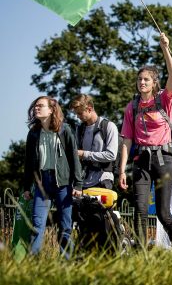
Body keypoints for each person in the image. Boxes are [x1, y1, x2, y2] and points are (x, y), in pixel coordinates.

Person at [118, 32, 172, 246]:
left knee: (163, 214)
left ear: (154, 83)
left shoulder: (164, 99)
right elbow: (126, 140)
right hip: (141, 162)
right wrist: (121, 169)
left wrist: (165, 48)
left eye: (146, 79)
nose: (142, 82)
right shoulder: (132, 107)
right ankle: (141, 255)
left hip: (164, 160)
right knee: (140, 210)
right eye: (139, 79)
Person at [23, 96, 83, 257]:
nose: (36, 108)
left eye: (40, 106)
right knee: (37, 224)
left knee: (65, 225)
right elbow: (29, 162)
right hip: (42, 184)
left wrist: (78, 184)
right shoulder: (34, 133)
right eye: (35, 106)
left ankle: (66, 260)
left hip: (63, 182)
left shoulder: (65, 130)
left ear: (51, 109)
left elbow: (74, 158)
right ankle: (33, 260)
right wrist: (27, 187)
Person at [70, 94, 119, 189]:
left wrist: (84, 154)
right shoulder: (79, 129)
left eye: (79, 113)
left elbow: (111, 155)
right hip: (83, 181)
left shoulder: (109, 126)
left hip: (103, 180)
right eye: (76, 114)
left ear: (90, 108)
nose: (77, 117)